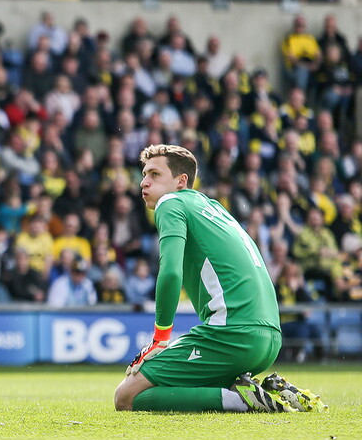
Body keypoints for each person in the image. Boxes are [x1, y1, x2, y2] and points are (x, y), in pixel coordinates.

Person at [114, 144, 325, 414]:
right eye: (144, 174)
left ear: (181, 181)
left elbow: (170, 272)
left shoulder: (171, 202)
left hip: (233, 335)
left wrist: (160, 338)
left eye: (154, 174)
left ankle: (244, 402)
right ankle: (262, 390)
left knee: (126, 396)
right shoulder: (212, 206)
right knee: (185, 384)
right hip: (270, 337)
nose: (144, 182)